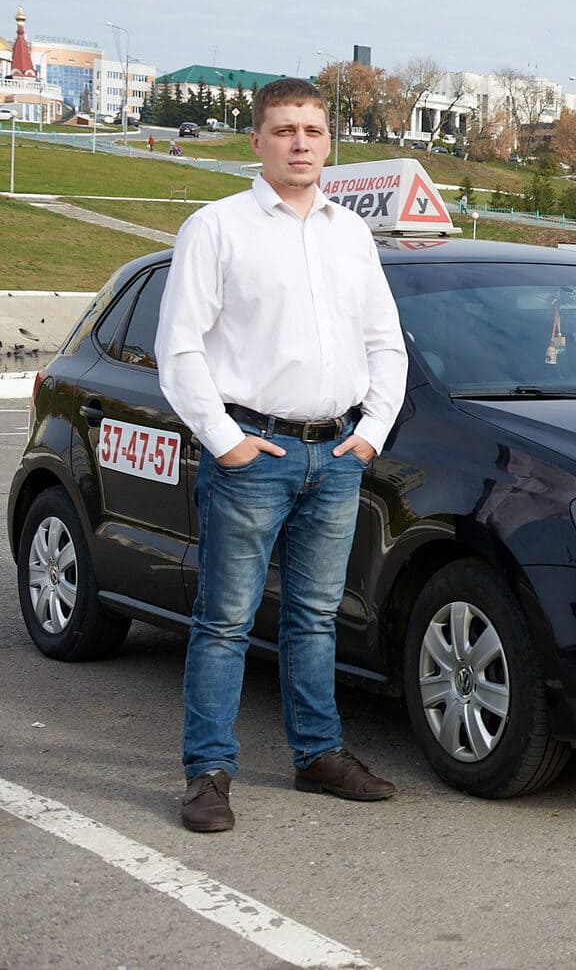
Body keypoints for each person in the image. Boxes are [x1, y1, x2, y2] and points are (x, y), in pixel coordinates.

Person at [156, 78, 408, 833]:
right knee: (225, 620)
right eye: (284, 130)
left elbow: (384, 341)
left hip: (334, 454)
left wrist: (372, 432)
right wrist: (227, 442)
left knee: (314, 619)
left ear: (329, 142)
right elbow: (179, 347)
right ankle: (208, 772)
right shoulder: (217, 227)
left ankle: (318, 755)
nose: (301, 143)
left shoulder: (349, 233)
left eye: (313, 130)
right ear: (257, 140)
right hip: (253, 454)